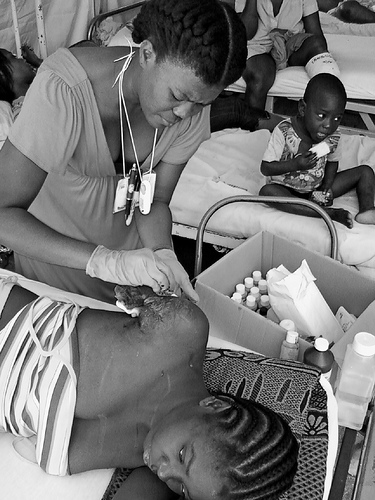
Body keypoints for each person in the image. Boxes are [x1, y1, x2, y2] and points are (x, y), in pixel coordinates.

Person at [0, 0, 248, 304]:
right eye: (178, 96)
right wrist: (104, 262)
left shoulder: (191, 113)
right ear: (147, 53)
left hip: (129, 283)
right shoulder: (63, 89)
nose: (185, 113)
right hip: (54, 282)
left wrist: (162, 253)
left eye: (202, 103)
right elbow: (3, 214)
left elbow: (154, 201)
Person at [0, 275, 299, 499]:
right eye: (183, 456)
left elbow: (49, 451)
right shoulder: (182, 334)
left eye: (181, 487)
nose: (165, 472)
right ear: (214, 405)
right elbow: (130, 289)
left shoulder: (138, 451)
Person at [259, 73, 375, 228]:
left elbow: (332, 162)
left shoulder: (332, 135)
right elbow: (265, 168)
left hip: (317, 188)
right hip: (287, 189)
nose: (328, 125)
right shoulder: (284, 131)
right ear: (302, 108)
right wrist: (295, 164)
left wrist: (326, 187)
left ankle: (367, 210)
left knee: (365, 172)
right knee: (267, 192)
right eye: (322, 115)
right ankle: (327, 214)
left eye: (337, 118)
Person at [236, 0, 340, 111]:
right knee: (260, 75)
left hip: (290, 45)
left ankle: (320, 116)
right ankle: (253, 124)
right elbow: (245, 33)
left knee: (317, 44)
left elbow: (316, 35)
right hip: (257, 47)